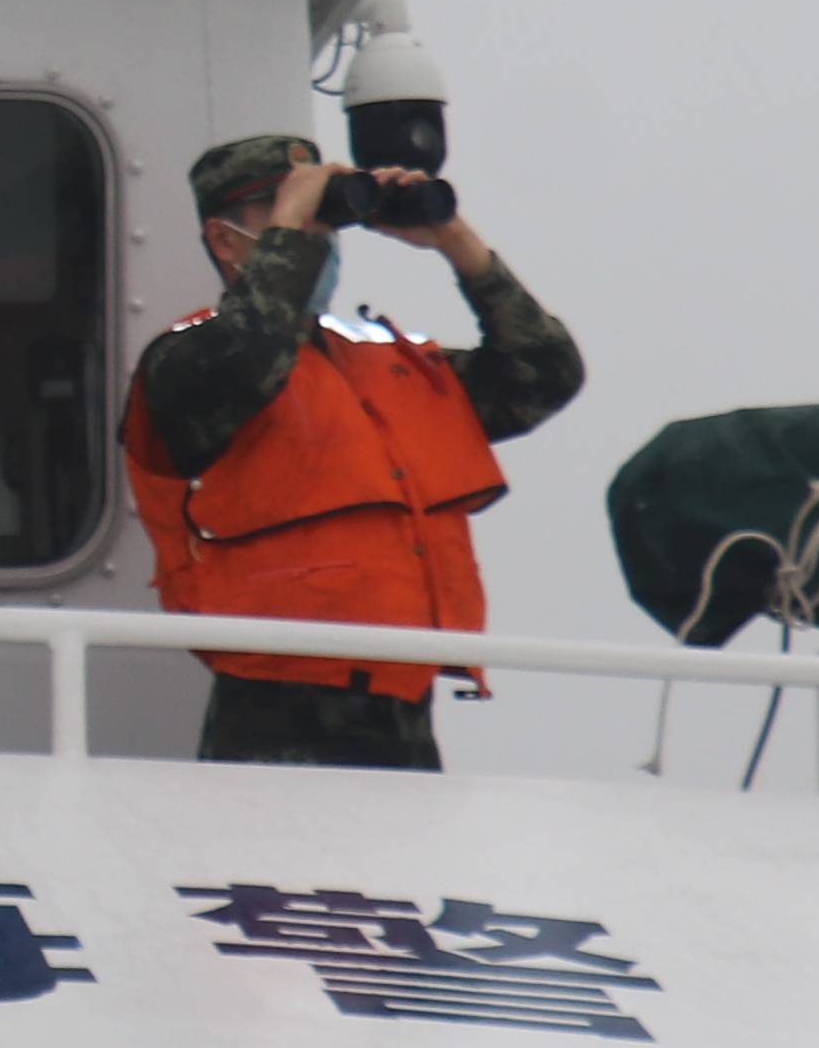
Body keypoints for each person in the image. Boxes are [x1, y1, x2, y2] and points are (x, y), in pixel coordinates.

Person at [120, 132, 585, 771]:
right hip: (270, 714)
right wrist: (292, 226)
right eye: (298, 219)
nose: (321, 240)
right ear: (227, 241)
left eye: (327, 222)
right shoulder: (186, 360)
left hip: (404, 711)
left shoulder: (392, 365)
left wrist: (456, 243)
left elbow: (546, 372)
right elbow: (248, 359)